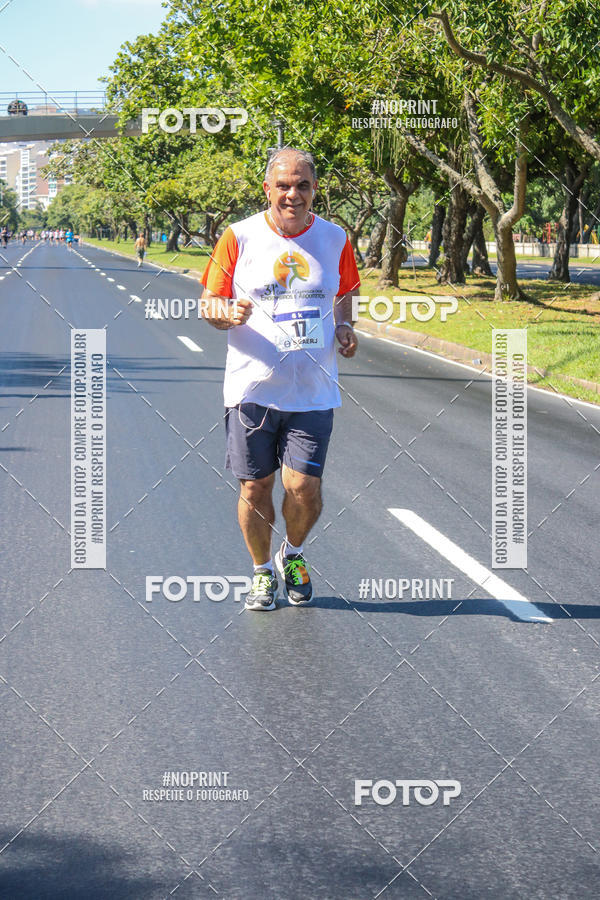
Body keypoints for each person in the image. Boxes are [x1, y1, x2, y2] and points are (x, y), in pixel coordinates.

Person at [201, 147, 359, 611]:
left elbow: (346, 289)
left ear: (314, 189)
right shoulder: (239, 237)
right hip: (252, 390)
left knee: (303, 488)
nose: (294, 194)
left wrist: (346, 325)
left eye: (303, 185)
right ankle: (262, 571)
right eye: (284, 185)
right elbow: (208, 300)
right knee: (255, 487)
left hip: (312, 391)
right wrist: (226, 313)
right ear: (267, 188)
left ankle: (292, 553)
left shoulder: (334, 238)